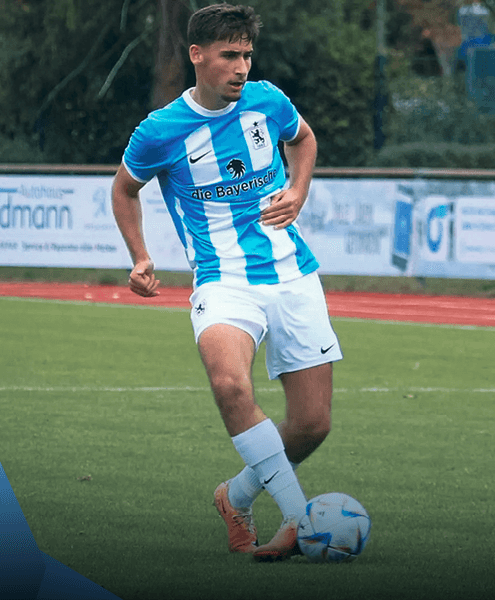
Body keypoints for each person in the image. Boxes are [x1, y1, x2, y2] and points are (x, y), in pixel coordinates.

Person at [112, 3, 341, 562]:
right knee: (231, 385)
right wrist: (140, 257)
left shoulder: (269, 100)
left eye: (247, 55)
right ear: (197, 55)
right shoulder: (161, 130)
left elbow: (304, 139)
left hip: (293, 273)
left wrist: (299, 189)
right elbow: (124, 189)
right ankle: (297, 518)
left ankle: (234, 496)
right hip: (222, 280)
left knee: (311, 425)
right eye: (229, 56)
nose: (241, 67)